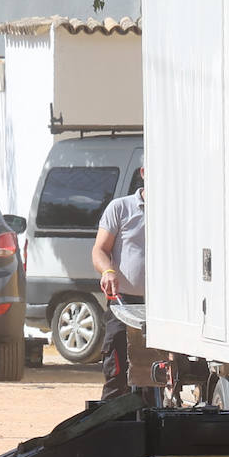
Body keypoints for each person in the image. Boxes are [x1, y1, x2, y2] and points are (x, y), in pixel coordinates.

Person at [92, 167, 145, 401]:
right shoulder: (121, 208)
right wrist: (108, 271)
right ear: (144, 172)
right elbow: (99, 250)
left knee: (157, 377)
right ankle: (110, 419)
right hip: (124, 304)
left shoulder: (174, 210)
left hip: (163, 307)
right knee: (116, 372)